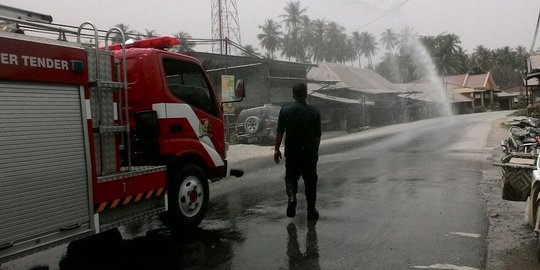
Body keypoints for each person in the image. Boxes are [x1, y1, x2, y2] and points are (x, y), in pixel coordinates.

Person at [274, 82, 321, 220]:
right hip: (309, 152)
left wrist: (276, 150)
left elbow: (279, 132)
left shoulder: (285, 110)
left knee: (290, 178)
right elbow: (318, 136)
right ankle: (311, 211)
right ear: (306, 95)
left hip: (292, 152)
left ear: (293, 95)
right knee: (310, 182)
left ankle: (292, 197)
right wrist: (315, 152)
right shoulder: (314, 111)